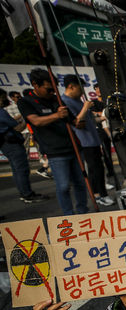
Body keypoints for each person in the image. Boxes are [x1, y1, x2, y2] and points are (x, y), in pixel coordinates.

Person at [17, 68, 88, 215]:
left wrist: (82, 118)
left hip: (74, 147)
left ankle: (83, 211)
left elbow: (74, 121)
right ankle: (69, 216)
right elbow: (36, 121)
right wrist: (57, 115)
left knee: (81, 183)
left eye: (54, 89)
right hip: (55, 151)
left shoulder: (57, 100)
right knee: (63, 186)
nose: (52, 93)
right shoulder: (26, 102)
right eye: (49, 89)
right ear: (35, 85)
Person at [61, 75, 113, 206]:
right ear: (71, 86)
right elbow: (77, 122)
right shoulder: (64, 102)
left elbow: (92, 120)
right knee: (96, 169)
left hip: (93, 140)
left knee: (97, 168)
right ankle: (101, 195)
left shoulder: (79, 101)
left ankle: (97, 194)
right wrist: (85, 108)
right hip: (84, 141)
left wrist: (105, 115)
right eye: (80, 87)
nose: (82, 91)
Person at [0, 88, 47, 204]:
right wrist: (28, 119)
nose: (5, 101)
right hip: (11, 143)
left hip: (6, 144)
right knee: (22, 170)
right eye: (2, 98)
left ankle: (24, 192)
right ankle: (27, 194)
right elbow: (17, 127)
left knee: (17, 170)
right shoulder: (1, 112)